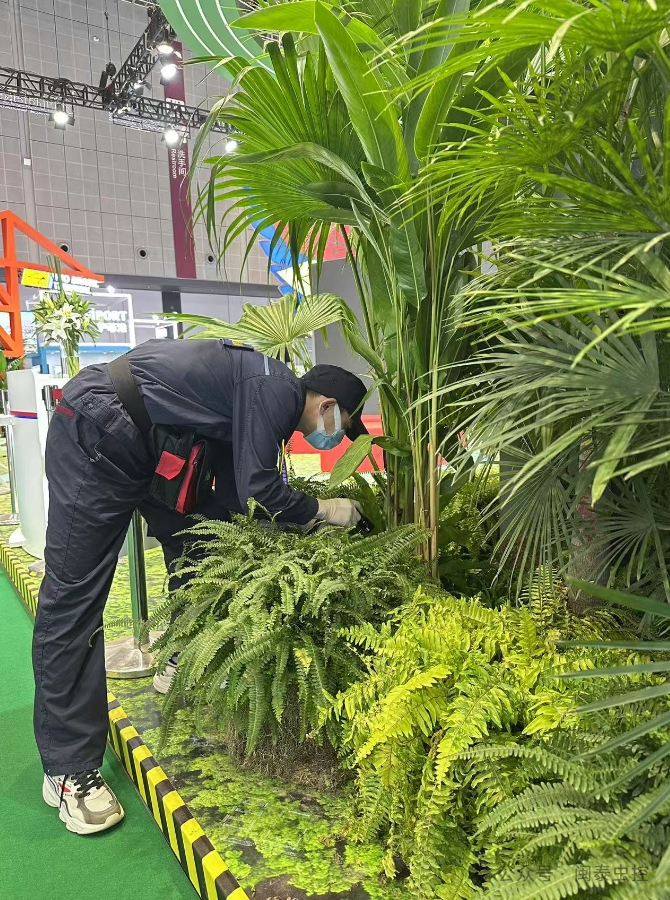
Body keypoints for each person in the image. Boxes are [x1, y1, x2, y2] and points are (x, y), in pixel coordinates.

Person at [33, 338, 368, 835]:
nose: (337, 437)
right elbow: (260, 488)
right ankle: (67, 768)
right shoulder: (276, 388)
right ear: (328, 406)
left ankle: (180, 657)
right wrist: (322, 510)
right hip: (100, 425)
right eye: (342, 425)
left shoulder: (260, 400)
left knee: (199, 541)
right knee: (75, 594)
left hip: (150, 441)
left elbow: (236, 503)